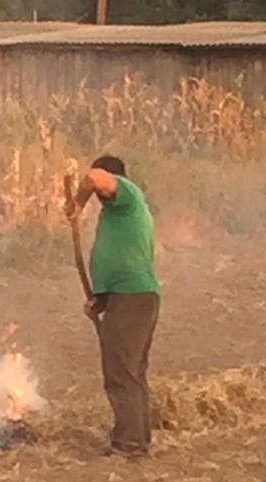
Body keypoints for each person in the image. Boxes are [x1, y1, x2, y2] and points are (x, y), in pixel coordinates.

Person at [67, 155, 161, 456]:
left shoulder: (129, 194)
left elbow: (94, 177)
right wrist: (101, 299)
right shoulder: (116, 214)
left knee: (121, 372)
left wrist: (78, 204)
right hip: (126, 296)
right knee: (130, 370)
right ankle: (137, 437)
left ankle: (130, 444)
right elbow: (122, 256)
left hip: (133, 297)